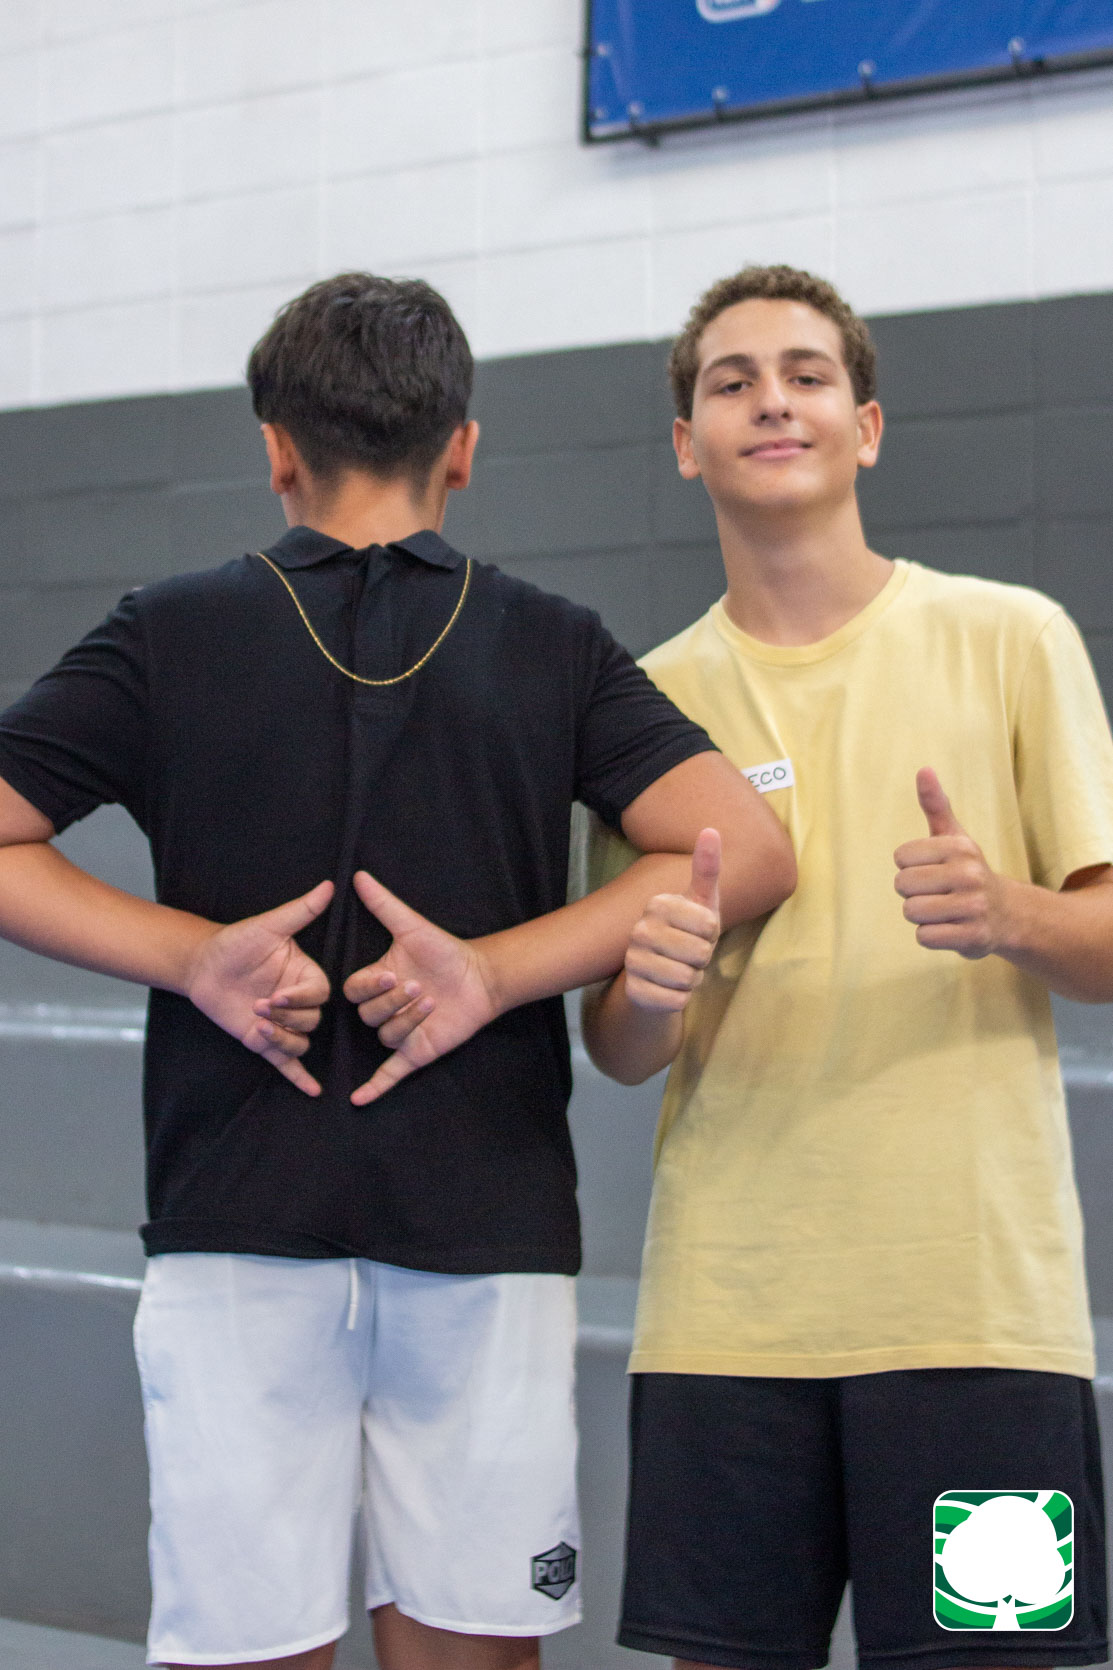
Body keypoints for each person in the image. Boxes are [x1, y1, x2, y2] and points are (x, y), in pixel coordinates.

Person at [0, 274, 795, 1670]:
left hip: (237, 1212)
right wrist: (496, 971)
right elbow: (749, 849)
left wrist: (195, 960)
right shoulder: (551, 637)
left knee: (247, 1646)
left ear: (275, 451)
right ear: (462, 449)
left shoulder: (165, 626)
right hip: (481, 1224)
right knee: (473, 1642)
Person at [583, 264, 1113, 1670]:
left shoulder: (1011, 635)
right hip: (726, 1317)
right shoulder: (643, 701)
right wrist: (648, 988)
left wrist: (1007, 911)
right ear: (685, 443)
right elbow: (618, 1046)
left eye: (806, 375)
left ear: (864, 427)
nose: (772, 401)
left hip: (975, 1314)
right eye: (732, 381)